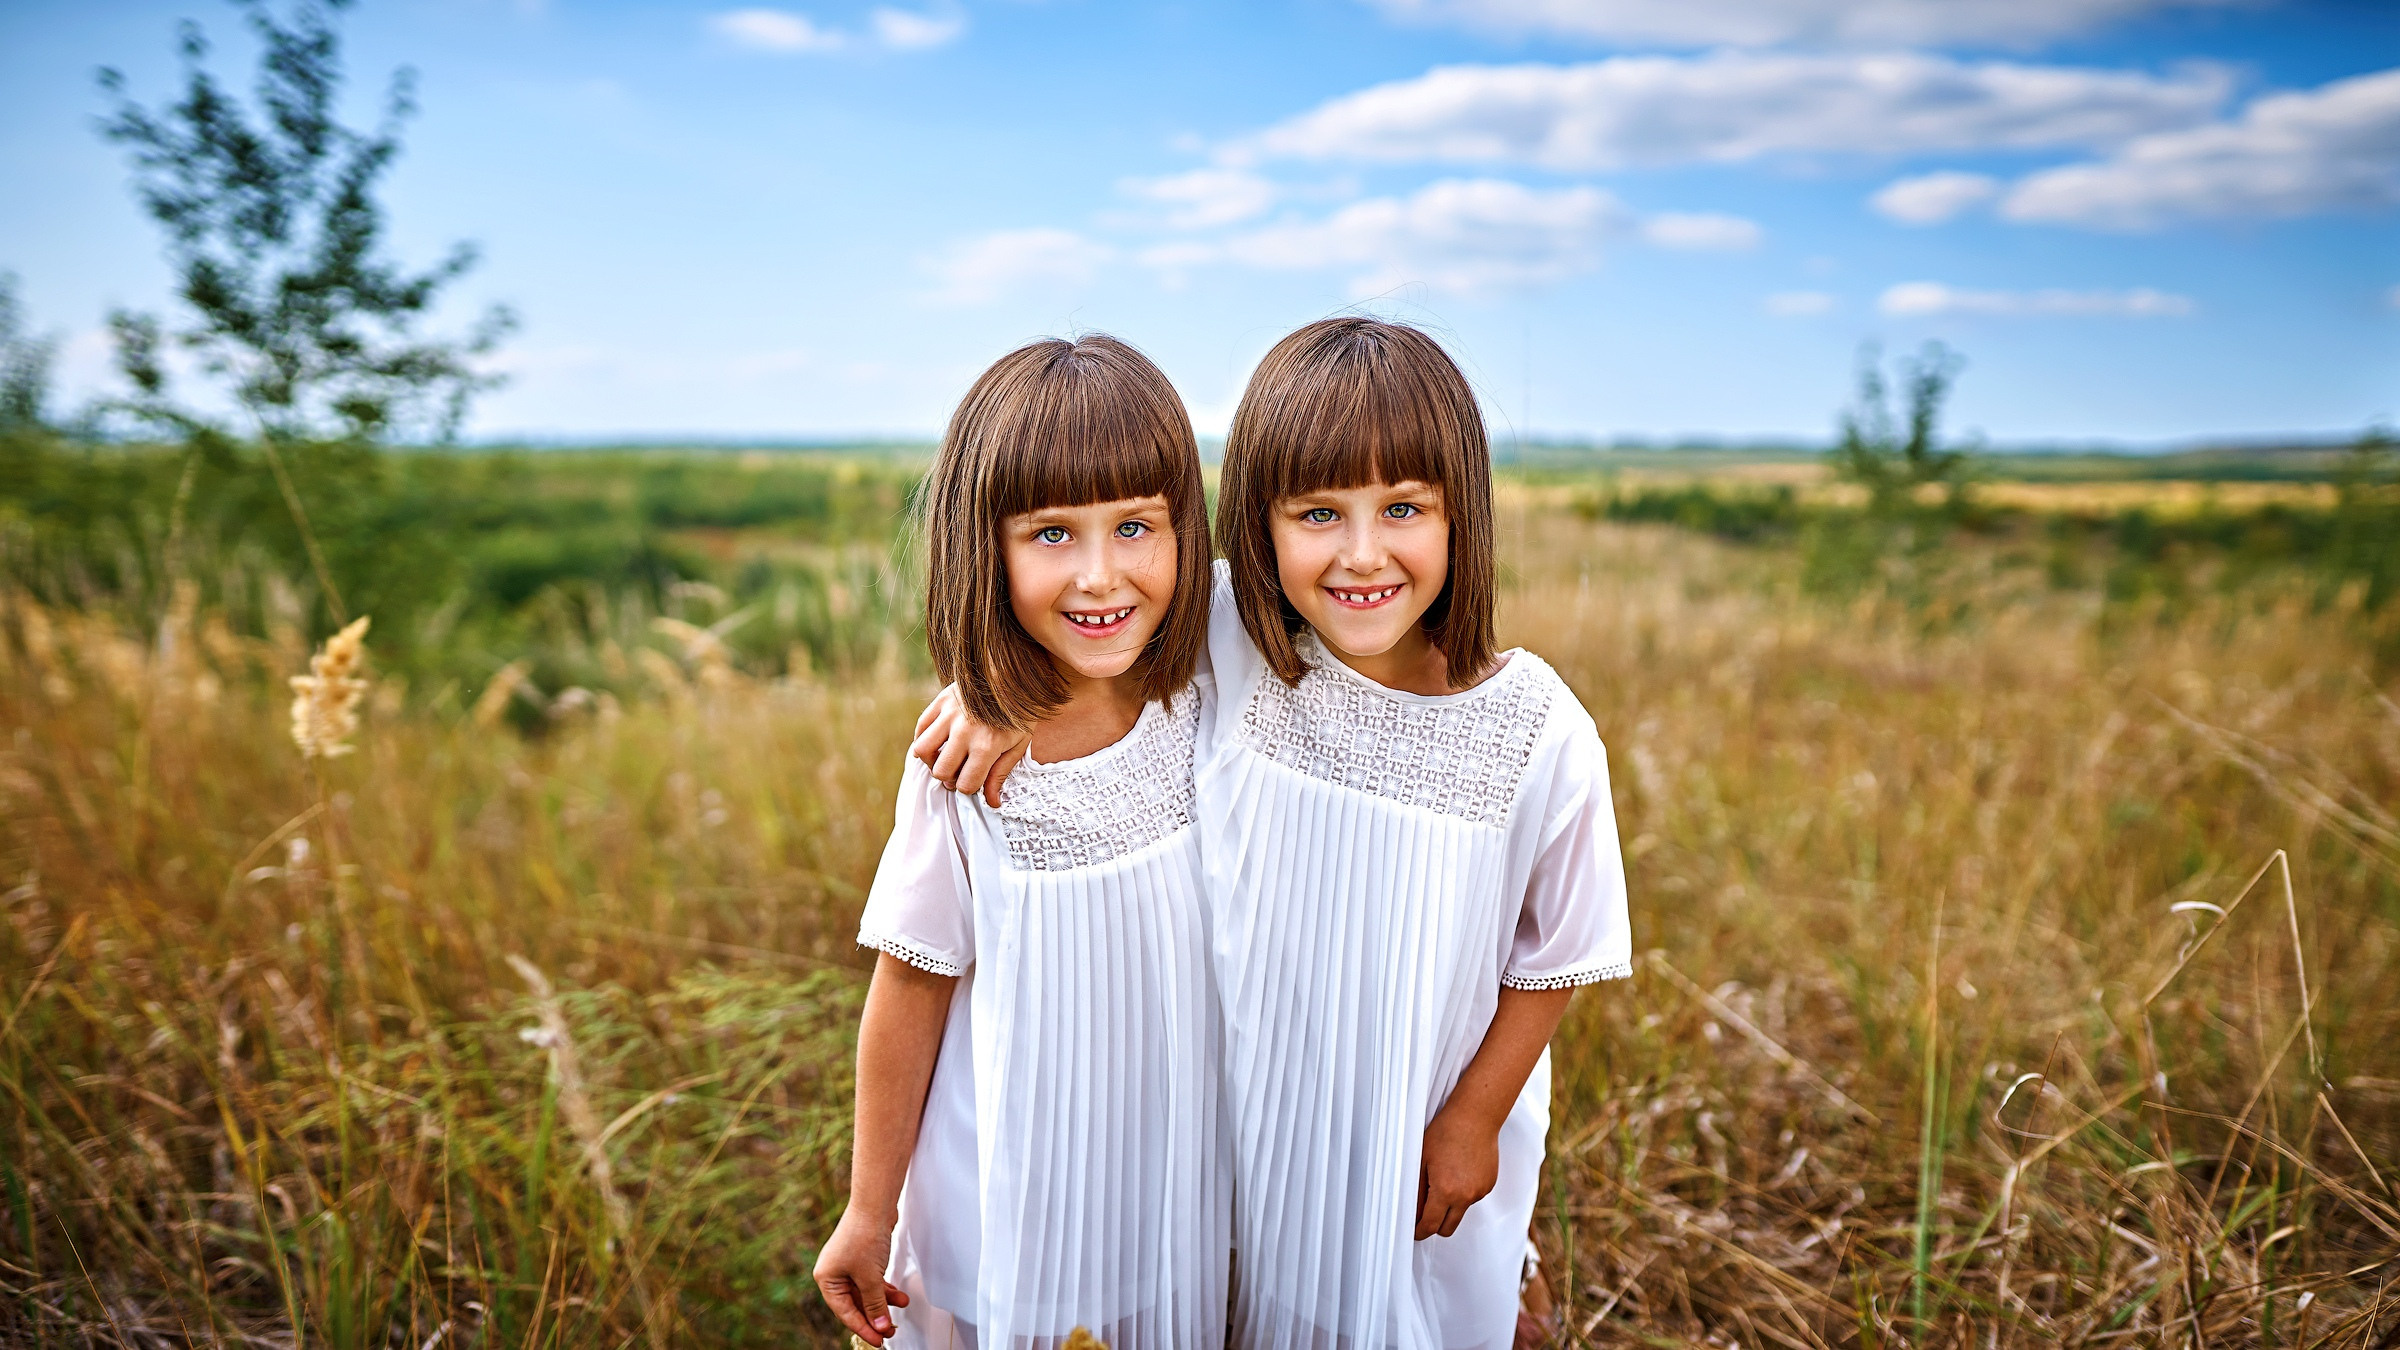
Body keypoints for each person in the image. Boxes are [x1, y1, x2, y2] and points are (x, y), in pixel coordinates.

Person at [917, 317, 1632, 1350]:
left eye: (1402, 508)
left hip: (1410, 1121)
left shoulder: (1536, 730)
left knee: (1409, 1308)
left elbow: (1558, 951)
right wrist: (995, 695)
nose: (1361, 554)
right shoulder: (1235, 640)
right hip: (1241, 1124)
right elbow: (1097, 615)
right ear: (1259, 522)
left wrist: (1474, 1119)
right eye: (1316, 513)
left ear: (1462, 513)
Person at [814, 334, 1228, 1350]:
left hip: (1184, 1177)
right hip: (1024, 1194)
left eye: (1136, 525)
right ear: (983, 547)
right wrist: (871, 1211)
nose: (1101, 576)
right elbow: (909, 988)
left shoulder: (1220, 674)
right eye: (1051, 534)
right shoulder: (964, 766)